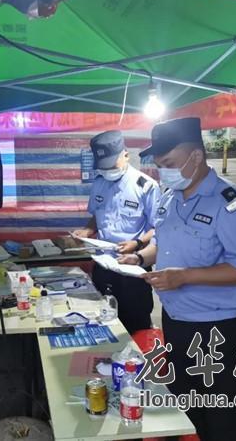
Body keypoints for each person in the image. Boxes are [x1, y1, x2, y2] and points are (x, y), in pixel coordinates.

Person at [122, 117, 236, 441]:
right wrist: (140, 258)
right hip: (176, 323)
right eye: (159, 165)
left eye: (169, 163)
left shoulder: (231, 203)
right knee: (187, 414)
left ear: (196, 156)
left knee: (223, 420)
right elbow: (164, 244)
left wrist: (185, 277)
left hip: (218, 331)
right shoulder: (170, 197)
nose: (163, 172)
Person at [72, 130, 160, 334]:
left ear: (125, 155)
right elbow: (97, 215)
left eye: (112, 165)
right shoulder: (99, 183)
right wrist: (87, 230)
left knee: (135, 326)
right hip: (103, 266)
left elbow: (158, 227)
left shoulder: (146, 186)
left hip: (133, 266)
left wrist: (137, 243)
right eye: (103, 166)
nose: (108, 170)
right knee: (102, 323)